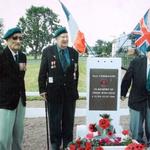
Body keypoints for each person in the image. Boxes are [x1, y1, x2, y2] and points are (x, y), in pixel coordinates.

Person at [38, 27, 79, 150]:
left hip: (69, 94)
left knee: (68, 120)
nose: (65, 39)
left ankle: (67, 144)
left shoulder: (73, 53)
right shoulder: (48, 51)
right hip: (54, 93)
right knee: (54, 120)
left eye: (66, 37)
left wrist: (74, 89)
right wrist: (42, 89)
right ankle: (55, 144)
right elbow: (42, 73)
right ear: (56, 39)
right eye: (63, 37)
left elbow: (76, 74)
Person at [0, 27, 27, 150]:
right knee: (4, 139)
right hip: (6, 102)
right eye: (15, 38)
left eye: (20, 38)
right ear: (7, 40)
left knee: (18, 137)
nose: (18, 41)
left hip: (20, 101)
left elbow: (20, 78)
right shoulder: (2, 56)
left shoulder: (22, 57)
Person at [121, 46, 150, 148]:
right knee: (136, 127)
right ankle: (137, 144)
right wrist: (123, 93)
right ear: (147, 53)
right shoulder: (136, 62)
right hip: (137, 98)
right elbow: (127, 78)